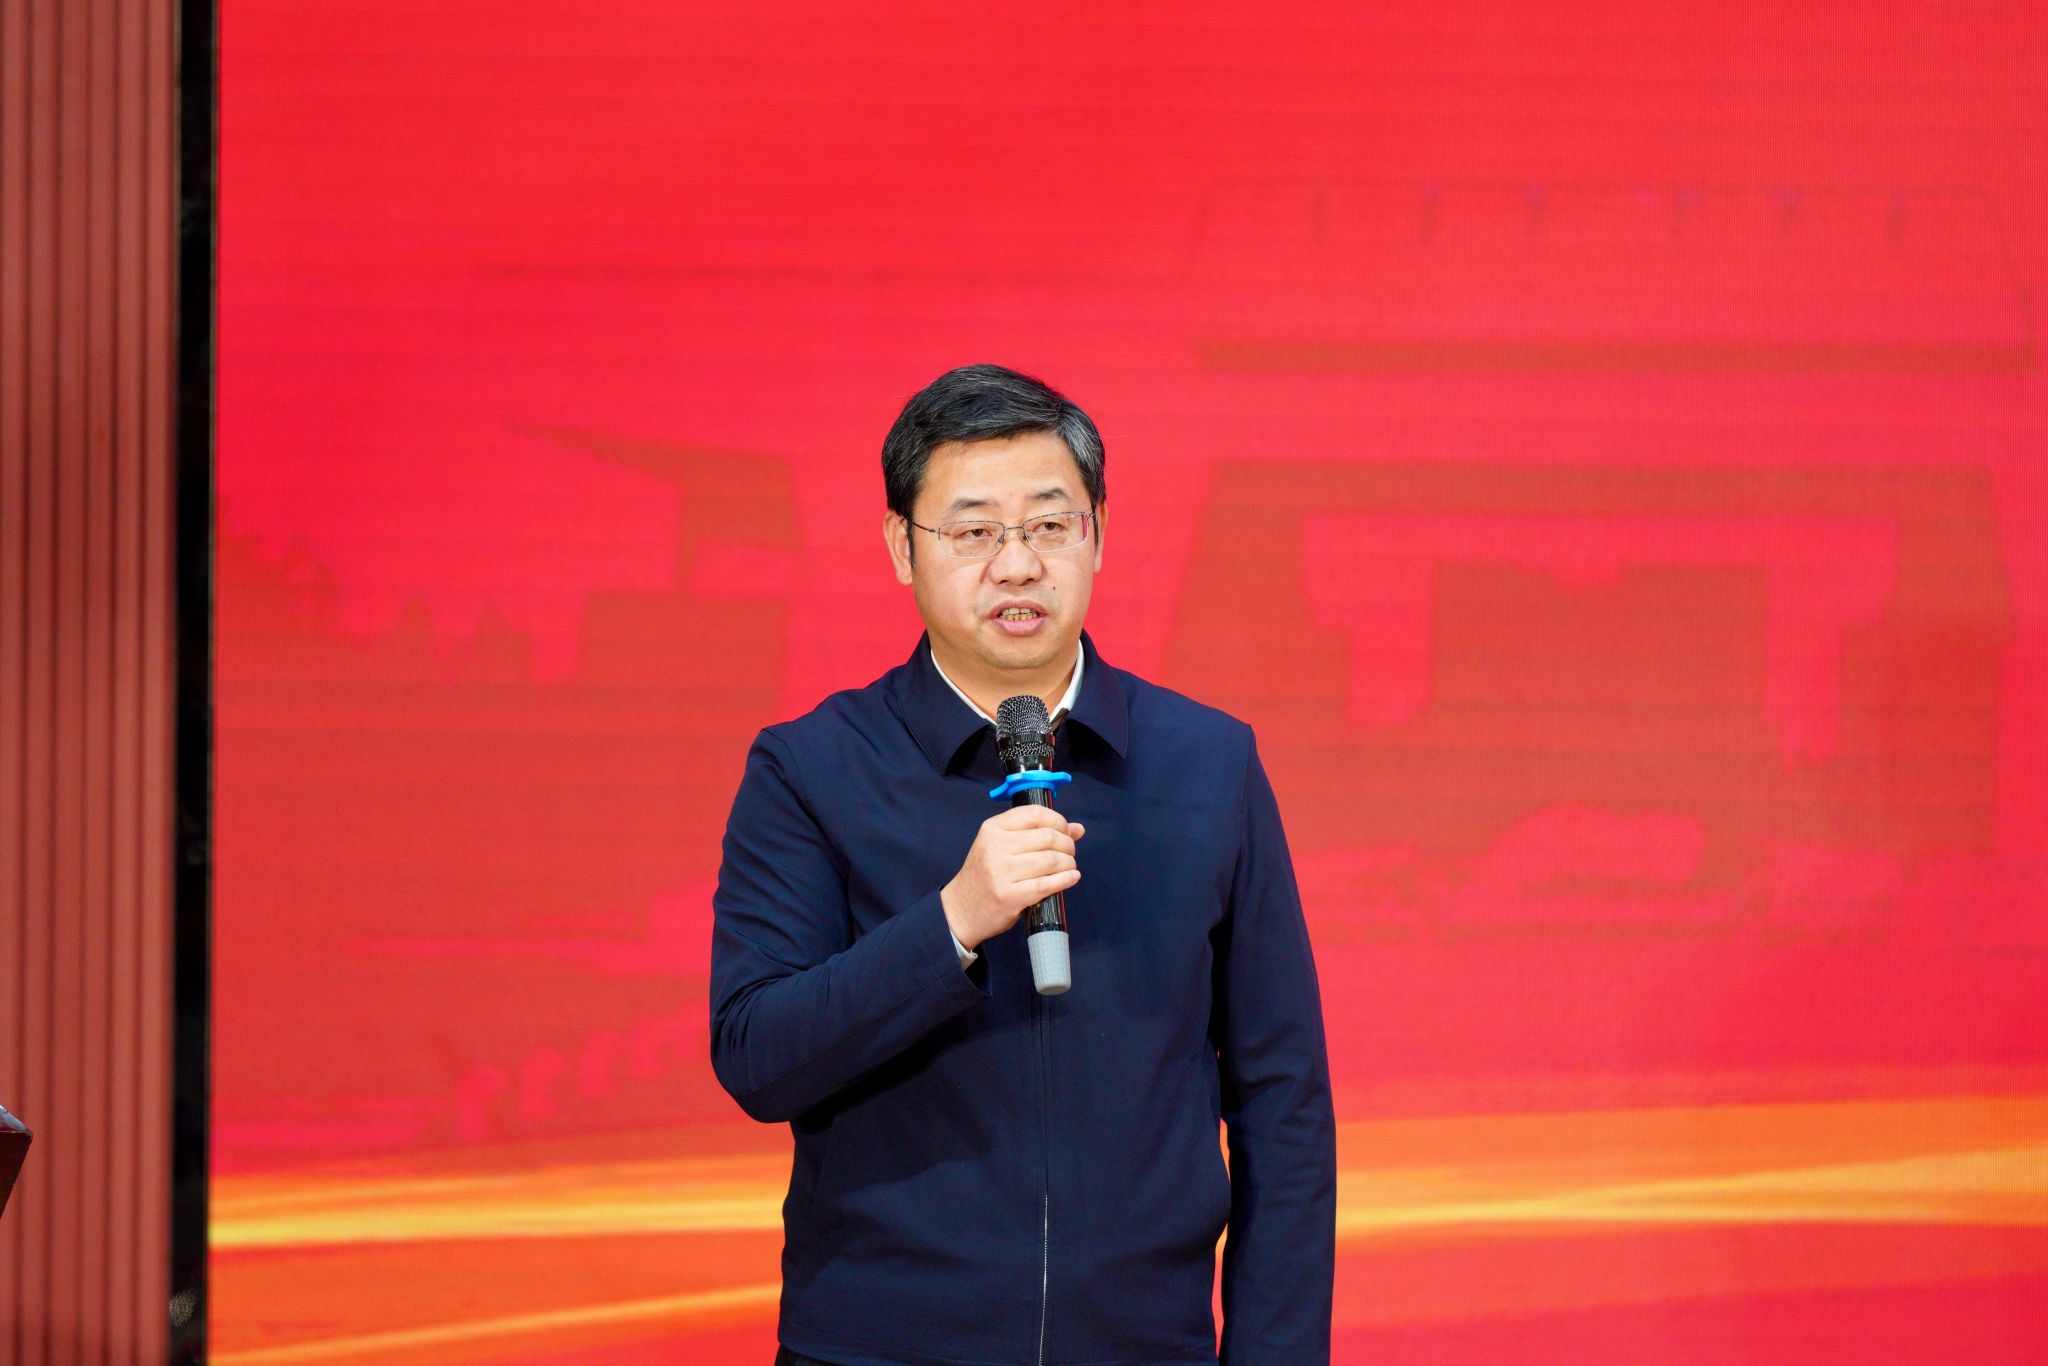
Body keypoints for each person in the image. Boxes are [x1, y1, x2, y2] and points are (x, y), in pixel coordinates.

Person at [711, 364, 1335, 1366]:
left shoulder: (1207, 763)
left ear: (1098, 534)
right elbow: (757, 1055)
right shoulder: (812, 768)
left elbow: (1282, 1100)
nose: (1016, 565)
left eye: (1049, 525)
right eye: (973, 532)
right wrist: (950, 923)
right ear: (902, 547)